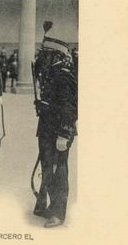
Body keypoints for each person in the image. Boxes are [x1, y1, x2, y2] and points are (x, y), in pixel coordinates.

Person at [33, 34, 78, 228]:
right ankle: (48, 204)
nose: (42, 57)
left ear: (56, 56)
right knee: (47, 167)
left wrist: (64, 133)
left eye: (46, 54)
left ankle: (58, 213)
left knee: (58, 171)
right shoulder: (50, 73)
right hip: (46, 128)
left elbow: (70, 107)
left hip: (59, 131)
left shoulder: (64, 75)